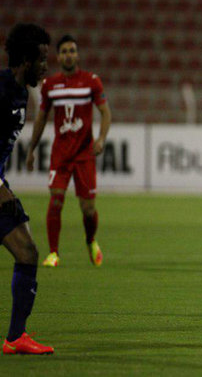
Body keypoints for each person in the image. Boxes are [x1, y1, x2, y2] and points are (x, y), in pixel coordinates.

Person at [26, 35, 111, 268]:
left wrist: (102, 139)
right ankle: (53, 253)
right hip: (61, 154)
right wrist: (31, 149)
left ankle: (91, 240)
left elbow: (105, 112)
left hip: (84, 155)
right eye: (64, 51)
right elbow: (42, 117)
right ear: (58, 56)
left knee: (88, 208)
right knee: (56, 200)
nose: (68, 55)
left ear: (78, 54)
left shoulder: (91, 81)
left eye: (72, 50)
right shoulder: (51, 85)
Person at [1, 23, 54, 354]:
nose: (45, 66)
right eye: (42, 59)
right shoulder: (1, 89)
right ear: (25, 60)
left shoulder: (22, 93)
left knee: (28, 252)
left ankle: (15, 338)